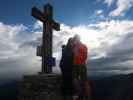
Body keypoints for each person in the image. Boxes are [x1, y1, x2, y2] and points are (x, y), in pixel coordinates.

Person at [72, 35, 91, 100]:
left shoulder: (83, 46)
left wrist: (77, 54)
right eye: (74, 39)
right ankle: (80, 94)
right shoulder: (75, 46)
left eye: (75, 39)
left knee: (84, 81)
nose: (75, 41)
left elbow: (84, 57)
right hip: (77, 65)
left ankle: (87, 97)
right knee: (75, 80)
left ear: (78, 39)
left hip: (81, 65)